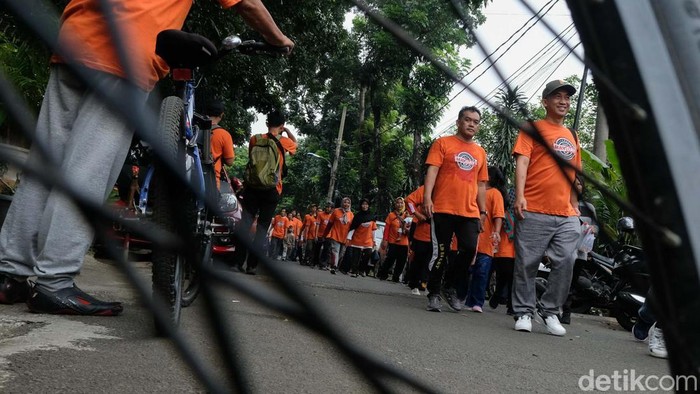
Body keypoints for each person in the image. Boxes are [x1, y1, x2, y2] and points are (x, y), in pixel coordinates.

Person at [0, 0, 293, 315]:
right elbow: (247, 3)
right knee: (89, 170)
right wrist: (280, 40)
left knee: (45, 163)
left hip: (75, 37)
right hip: (125, 53)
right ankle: (54, 282)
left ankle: (10, 274)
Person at [511, 80, 582, 336]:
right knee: (526, 264)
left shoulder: (573, 135)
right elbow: (522, 162)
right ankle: (523, 312)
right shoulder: (532, 128)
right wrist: (519, 196)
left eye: (567, 97)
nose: (563, 101)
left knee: (567, 260)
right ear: (545, 102)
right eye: (557, 97)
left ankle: (550, 310)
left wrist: (575, 207)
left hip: (566, 213)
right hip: (533, 208)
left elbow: (575, 174)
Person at [423, 106, 488, 312]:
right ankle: (433, 293)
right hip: (443, 207)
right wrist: (427, 198)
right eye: (467, 120)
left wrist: (483, 211)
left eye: (475, 122)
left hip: (469, 211)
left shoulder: (480, 152)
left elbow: (480, 184)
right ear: (459, 122)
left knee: (469, 249)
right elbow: (432, 171)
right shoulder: (443, 143)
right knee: (441, 253)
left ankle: (449, 286)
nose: (471, 124)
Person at [232, 110, 297, 274]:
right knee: (262, 227)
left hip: (253, 187)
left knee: (245, 223)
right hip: (272, 189)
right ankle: (252, 265)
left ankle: (237, 262)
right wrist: (287, 131)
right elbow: (295, 144)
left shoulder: (255, 139)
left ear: (267, 123)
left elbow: (252, 162)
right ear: (281, 126)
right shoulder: (284, 142)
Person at [462, 166, 505, 313]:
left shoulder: (495, 194)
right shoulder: (473, 189)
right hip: (469, 239)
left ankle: (477, 302)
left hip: (486, 242)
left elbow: (498, 215)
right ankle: (463, 299)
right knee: (465, 271)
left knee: (481, 272)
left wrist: (497, 232)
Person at [560, 174, 598, 324]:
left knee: (572, 282)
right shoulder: (563, 204)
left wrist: (593, 229)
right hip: (563, 250)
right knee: (561, 280)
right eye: (574, 183)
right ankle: (554, 310)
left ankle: (566, 312)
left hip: (580, 252)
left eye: (580, 184)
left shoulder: (589, 208)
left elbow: (596, 226)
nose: (577, 186)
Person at [489, 187, 516, 315]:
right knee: (505, 274)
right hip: (504, 248)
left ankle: (511, 305)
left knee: (513, 277)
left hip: (518, 249)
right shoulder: (504, 213)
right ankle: (499, 294)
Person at [404, 185, 432, 295]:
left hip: (438, 233)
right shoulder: (424, 189)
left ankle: (425, 282)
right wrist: (417, 214)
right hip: (422, 231)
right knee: (419, 258)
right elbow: (409, 201)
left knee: (431, 261)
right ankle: (414, 283)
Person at [377, 197, 410, 282]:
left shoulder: (407, 215)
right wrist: (385, 240)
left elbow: (411, 228)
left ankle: (396, 277)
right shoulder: (391, 215)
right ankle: (383, 274)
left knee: (401, 261)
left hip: (404, 242)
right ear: (395, 204)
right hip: (393, 241)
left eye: (401, 203)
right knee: (390, 259)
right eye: (398, 203)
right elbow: (387, 229)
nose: (399, 205)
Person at [205, 99, 235, 190]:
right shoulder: (224, 135)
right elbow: (230, 162)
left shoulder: (194, 130)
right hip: (212, 182)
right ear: (221, 115)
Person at [345, 199, 377, 278]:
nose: (364, 206)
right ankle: (355, 271)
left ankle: (361, 270)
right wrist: (348, 238)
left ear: (368, 205)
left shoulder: (372, 217)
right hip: (357, 239)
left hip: (368, 240)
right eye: (363, 204)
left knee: (368, 254)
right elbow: (353, 228)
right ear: (361, 205)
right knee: (355, 257)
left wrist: (374, 240)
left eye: (366, 204)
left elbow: (373, 230)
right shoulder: (357, 216)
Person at [322, 197, 354, 274]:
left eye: (348, 203)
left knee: (341, 254)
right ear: (342, 203)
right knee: (335, 251)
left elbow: (352, 228)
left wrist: (349, 239)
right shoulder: (336, 211)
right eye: (345, 202)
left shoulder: (351, 214)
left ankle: (336, 265)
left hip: (345, 237)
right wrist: (325, 234)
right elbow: (330, 224)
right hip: (335, 235)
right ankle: (334, 266)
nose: (346, 204)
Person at [314, 202, 333, 269]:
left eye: (329, 207)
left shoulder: (332, 216)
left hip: (328, 235)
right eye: (327, 207)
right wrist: (316, 235)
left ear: (331, 209)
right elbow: (318, 225)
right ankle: (315, 262)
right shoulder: (320, 214)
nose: (328, 208)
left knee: (326, 250)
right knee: (317, 249)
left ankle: (323, 264)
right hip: (320, 234)